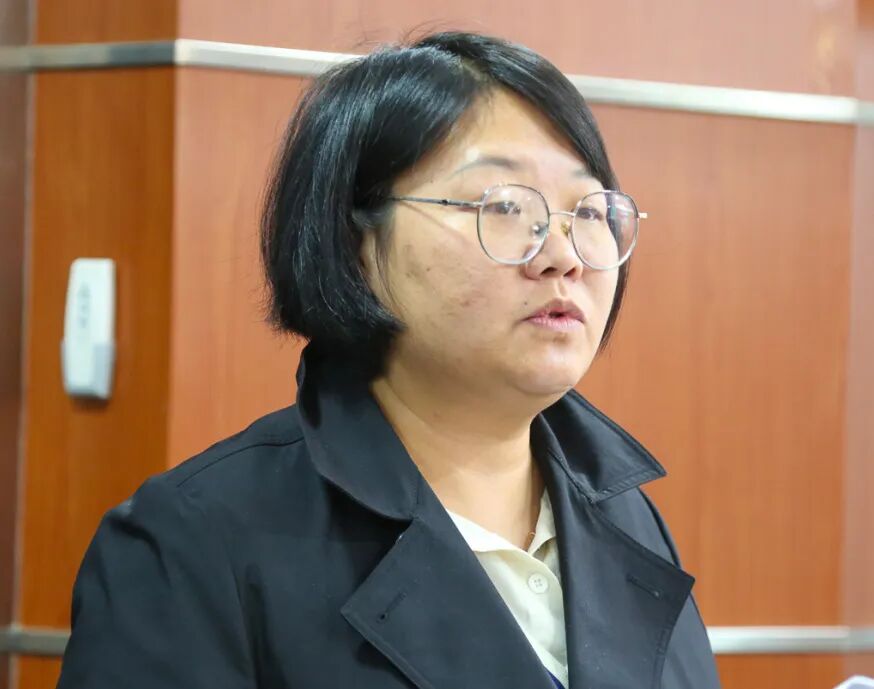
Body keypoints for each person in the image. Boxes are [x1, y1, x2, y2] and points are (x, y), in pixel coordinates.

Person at [56, 30, 720, 689]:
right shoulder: (195, 542)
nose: (564, 255)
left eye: (589, 212)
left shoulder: (627, 519)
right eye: (504, 206)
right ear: (356, 244)